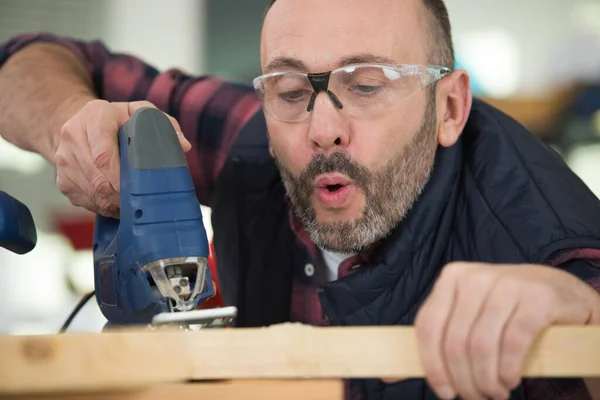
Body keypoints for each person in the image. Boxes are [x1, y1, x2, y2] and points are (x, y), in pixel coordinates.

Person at [1, 0, 600, 399]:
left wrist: (583, 310)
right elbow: (25, 61)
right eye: (289, 90)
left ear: (449, 108)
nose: (321, 129)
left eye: (365, 86)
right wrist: (70, 124)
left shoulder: (546, 240)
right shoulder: (251, 140)